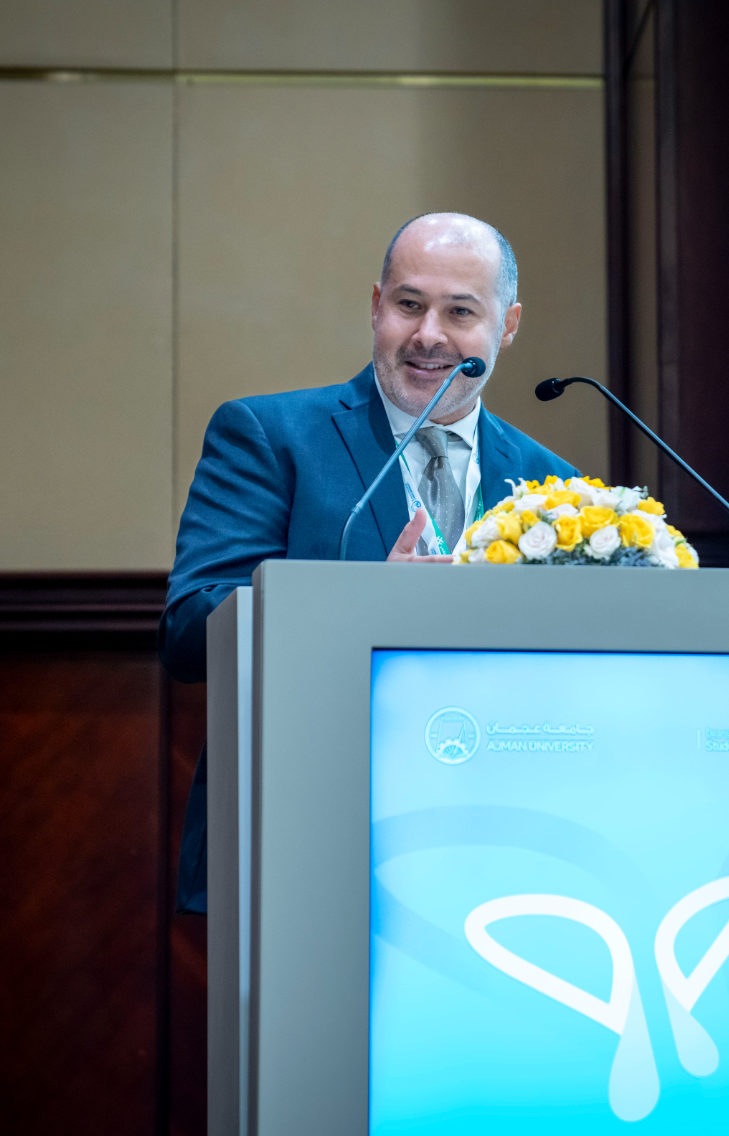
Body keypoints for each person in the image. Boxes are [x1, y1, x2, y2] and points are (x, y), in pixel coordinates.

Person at [162, 212, 580, 912]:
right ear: (377, 305)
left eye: (460, 312)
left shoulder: (554, 485)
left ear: (506, 326)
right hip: (304, 837)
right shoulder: (270, 436)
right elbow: (187, 630)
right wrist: (355, 606)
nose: (429, 335)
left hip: (501, 845)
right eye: (410, 305)